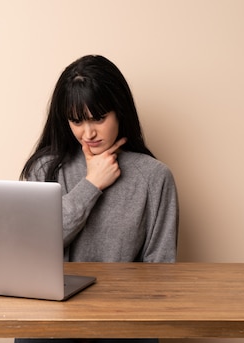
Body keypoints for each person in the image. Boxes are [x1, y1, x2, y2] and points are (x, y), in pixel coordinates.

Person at [16, 55, 179, 343]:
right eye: (76, 121)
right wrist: (91, 184)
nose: (88, 133)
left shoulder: (155, 177)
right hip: (54, 319)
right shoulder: (46, 168)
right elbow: (34, 248)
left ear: (120, 112)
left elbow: (160, 272)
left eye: (99, 118)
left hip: (125, 320)